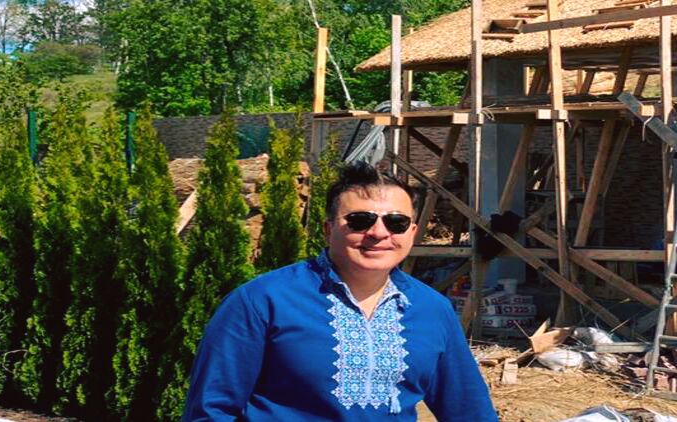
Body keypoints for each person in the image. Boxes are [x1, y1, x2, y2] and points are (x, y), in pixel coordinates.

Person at [182, 161, 498, 421]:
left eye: (396, 223)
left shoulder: (432, 310)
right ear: (328, 229)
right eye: (360, 221)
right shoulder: (262, 302)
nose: (379, 233)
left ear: (412, 232)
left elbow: (469, 410)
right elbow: (211, 411)